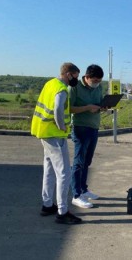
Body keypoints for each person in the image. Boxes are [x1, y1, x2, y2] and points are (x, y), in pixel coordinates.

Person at [31, 62, 82, 224]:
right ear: (68, 74)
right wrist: (62, 127)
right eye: (76, 76)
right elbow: (58, 110)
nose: (76, 79)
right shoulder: (61, 89)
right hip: (54, 134)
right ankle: (62, 211)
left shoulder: (50, 83)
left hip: (44, 132)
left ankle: (47, 205)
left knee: (49, 169)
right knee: (64, 172)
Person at [69, 64, 105, 209]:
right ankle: (76, 195)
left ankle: (84, 189)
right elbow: (69, 108)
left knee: (87, 161)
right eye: (95, 80)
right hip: (80, 127)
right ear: (87, 77)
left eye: (99, 81)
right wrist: (88, 107)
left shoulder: (99, 87)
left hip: (94, 127)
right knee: (79, 161)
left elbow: (98, 103)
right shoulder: (75, 87)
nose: (97, 83)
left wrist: (102, 107)